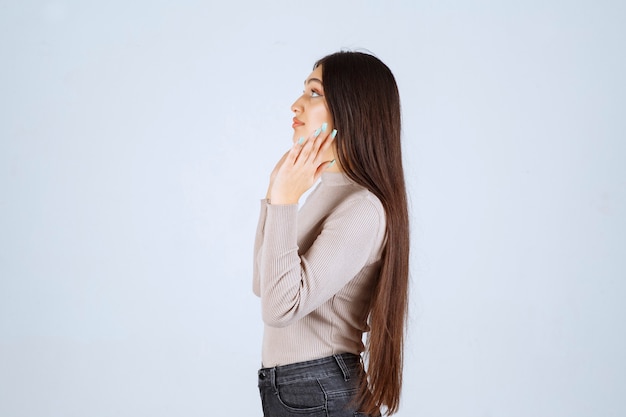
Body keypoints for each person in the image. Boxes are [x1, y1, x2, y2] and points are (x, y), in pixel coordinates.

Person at [253, 51, 409, 417]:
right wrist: (277, 193)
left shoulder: (363, 208)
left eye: (314, 93)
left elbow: (279, 307)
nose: (296, 105)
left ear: (352, 109)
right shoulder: (327, 190)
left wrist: (286, 201)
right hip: (303, 388)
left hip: (318, 389)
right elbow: (265, 284)